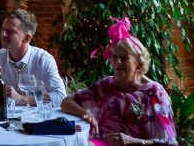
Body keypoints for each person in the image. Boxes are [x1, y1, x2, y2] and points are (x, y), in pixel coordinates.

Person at [61, 18, 177, 146]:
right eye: (114, 57)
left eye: (124, 58)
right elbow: (66, 102)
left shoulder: (154, 92)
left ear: (139, 62)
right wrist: (85, 113)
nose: (117, 62)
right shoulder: (106, 85)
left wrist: (132, 142)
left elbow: (169, 143)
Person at [0, 9, 67, 107]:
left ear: (26, 38)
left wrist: (21, 99)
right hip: (5, 118)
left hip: (38, 119)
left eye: (9, 32)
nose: (2, 34)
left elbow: (60, 97)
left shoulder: (43, 60)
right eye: (3, 29)